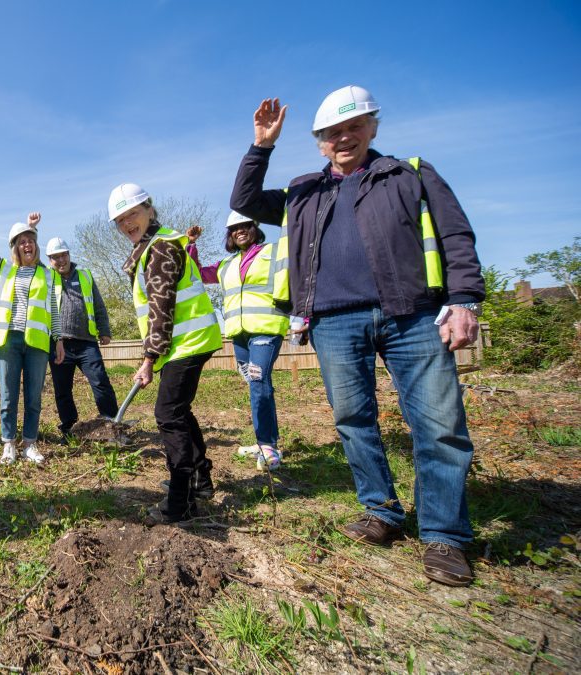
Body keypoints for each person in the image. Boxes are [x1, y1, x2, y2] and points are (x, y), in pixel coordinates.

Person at [229, 86, 484, 586]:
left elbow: (456, 234)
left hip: (412, 314)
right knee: (353, 418)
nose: (344, 138)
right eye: (332, 133)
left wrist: (465, 299)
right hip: (334, 320)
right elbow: (245, 201)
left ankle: (444, 536)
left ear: (372, 128)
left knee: (438, 424)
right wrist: (261, 146)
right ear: (320, 142)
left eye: (353, 127)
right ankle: (383, 510)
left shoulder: (407, 173)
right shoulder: (304, 191)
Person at [108, 183, 224, 523]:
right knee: (179, 411)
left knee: (168, 414)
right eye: (120, 220)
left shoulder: (160, 248)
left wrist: (148, 360)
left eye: (132, 214)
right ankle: (200, 479)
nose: (127, 223)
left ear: (149, 209)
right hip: (184, 344)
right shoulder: (151, 247)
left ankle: (181, 500)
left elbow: (161, 309)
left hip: (187, 342)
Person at [186, 211, 290, 470]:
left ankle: (267, 446)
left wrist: (303, 318)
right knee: (258, 385)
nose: (240, 231)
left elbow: (295, 280)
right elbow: (196, 273)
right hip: (239, 335)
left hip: (266, 329)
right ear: (230, 235)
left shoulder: (273, 253)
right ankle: (266, 440)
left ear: (254, 227)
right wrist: (191, 244)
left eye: (245, 226)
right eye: (234, 228)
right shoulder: (226, 265)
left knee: (258, 382)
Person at [0, 196, 64, 465]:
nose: (26, 244)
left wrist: (58, 340)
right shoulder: (5, 268)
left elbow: (53, 309)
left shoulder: (47, 274)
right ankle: (8, 444)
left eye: (30, 240)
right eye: (21, 241)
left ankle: (30, 444)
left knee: (33, 397)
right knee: (8, 396)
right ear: (14, 247)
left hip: (37, 342)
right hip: (8, 340)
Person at [44, 237, 119, 443]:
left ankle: (111, 422)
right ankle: (69, 428)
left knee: (101, 382)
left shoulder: (85, 275)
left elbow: (98, 305)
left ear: (69, 255)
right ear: (49, 260)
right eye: (55, 257)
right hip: (59, 344)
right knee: (62, 389)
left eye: (63, 255)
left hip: (86, 343)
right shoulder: (46, 277)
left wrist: (104, 330)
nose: (60, 260)